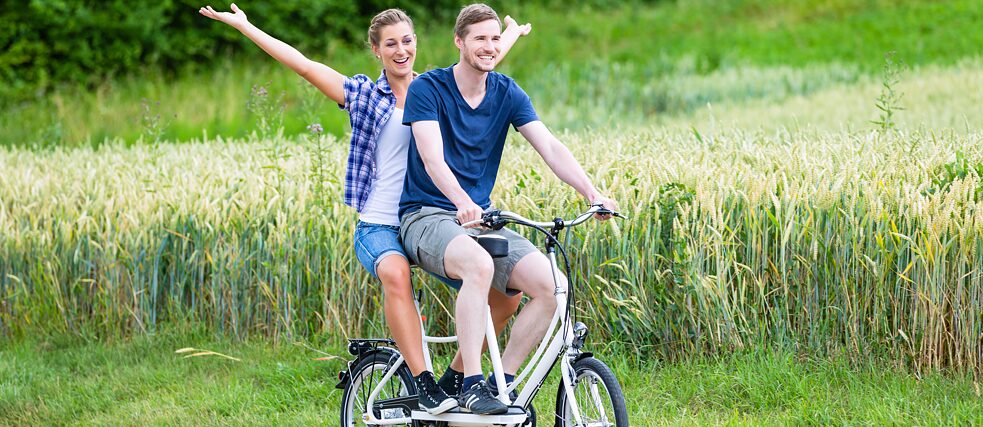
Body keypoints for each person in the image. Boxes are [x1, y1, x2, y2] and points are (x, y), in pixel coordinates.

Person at [198, 3, 531, 415]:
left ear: (416, 43)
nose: (401, 50)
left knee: (505, 294)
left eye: (407, 41)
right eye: (390, 44)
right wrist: (246, 27)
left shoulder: (436, 89)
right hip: (380, 225)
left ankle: (457, 376)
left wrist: (509, 34)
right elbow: (304, 65)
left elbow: (481, 61)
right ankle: (424, 381)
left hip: (433, 219)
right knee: (395, 273)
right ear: (376, 50)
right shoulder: (363, 95)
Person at [399, 3, 618, 415]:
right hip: (426, 215)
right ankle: (471, 383)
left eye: (495, 38)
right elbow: (431, 158)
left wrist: (592, 193)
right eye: (479, 38)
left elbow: (549, 146)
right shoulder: (428, 88)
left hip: (479, 219)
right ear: (459, 41)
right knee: (478, 266)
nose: (489, 46)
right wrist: (462, 201)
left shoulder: (507, 92)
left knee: (553, 287)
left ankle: (502, 384)